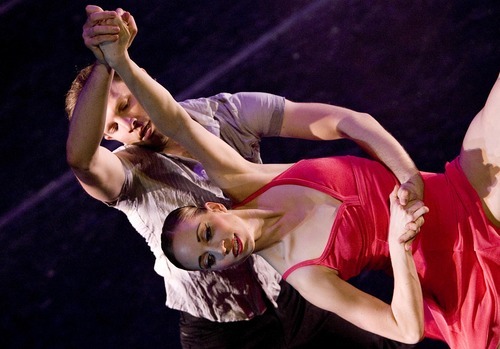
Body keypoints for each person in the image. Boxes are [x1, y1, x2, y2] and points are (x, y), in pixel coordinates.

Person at [93, 6, 499, 349]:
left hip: (457, 194)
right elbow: (405, 330)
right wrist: (399, 247)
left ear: (215, 207)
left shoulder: (243, 179)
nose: (220, 249)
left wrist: (121, 61)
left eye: (206, 235)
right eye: (208, 260)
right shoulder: (305, 276)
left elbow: (175, 120)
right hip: (463, 283)